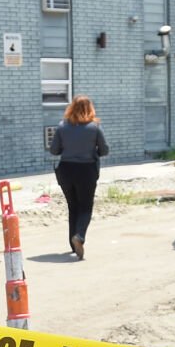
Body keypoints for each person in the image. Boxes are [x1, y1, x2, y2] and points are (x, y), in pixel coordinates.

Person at [47, 95, 109, 258]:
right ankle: (79, 236)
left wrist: (68, 148)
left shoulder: (62, 127)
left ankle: (73, 246)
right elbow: (104, 150)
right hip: (87, 171)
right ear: (90, 109)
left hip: (66, 171)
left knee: (72, 207)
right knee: (86, 207)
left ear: (71, 108)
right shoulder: (94, 127)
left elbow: (54, 150)